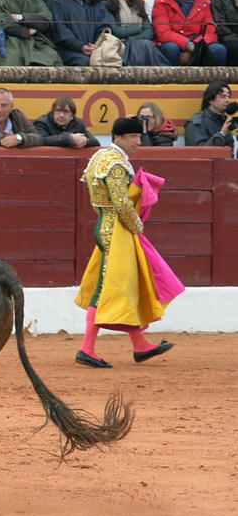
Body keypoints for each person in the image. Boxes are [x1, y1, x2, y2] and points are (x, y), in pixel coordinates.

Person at [74, 118, 181, 367]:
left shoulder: (101, 156)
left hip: (106, 224)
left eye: (139, 136)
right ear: (118, 137)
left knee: (123, 284)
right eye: (132, 136)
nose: (137, 141)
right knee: (108, 288)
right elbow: (121, 203)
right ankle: (86, 349)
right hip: (116, 229)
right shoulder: (115, 164)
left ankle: (139, 344)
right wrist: (136, 225)